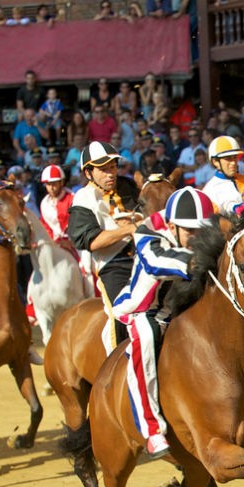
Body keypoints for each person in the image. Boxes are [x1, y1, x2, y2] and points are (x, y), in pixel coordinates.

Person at [110, 187, 212, 458]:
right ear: (171, 225)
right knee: (146, 336)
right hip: (143, 312)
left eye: (201, 231)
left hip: (179, 310)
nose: (195, 238)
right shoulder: (147, 233)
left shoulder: (195, 234)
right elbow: (155, 262)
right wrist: (195, 261)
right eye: (190, 231)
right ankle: (151, 429)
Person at [68, 141, 141, 347]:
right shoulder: (83, 198)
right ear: (88, 173)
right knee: (121, 315)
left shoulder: (128, 186)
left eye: (113, 167)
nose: (111, 173)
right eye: (103, 169)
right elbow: (91, 241)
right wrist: (128, 229)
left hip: (146, 257)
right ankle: (117, 364)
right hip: (114, 265)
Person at [202, 135, 244, 215]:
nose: (233, 163)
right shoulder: (209, 191)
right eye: (228, 159)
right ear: (215, 161)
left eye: (235, 157)